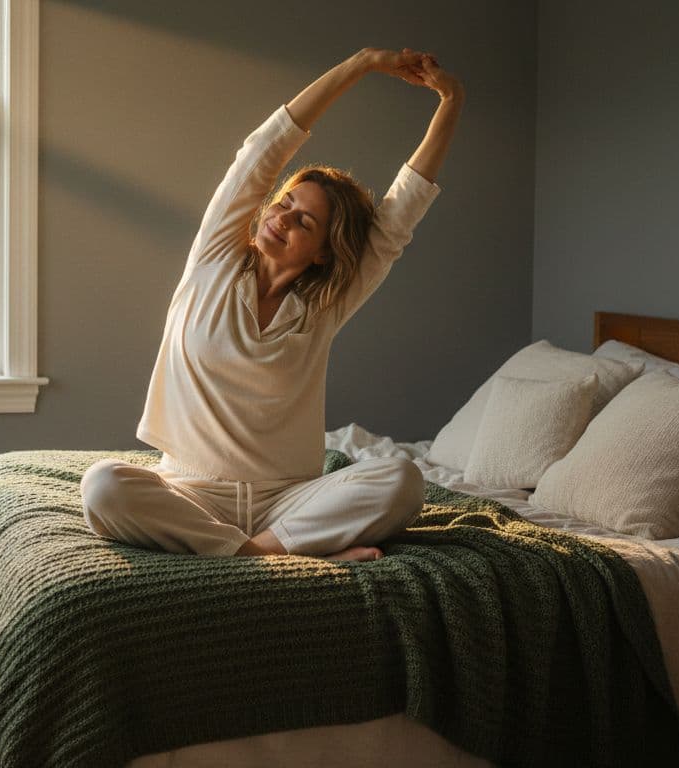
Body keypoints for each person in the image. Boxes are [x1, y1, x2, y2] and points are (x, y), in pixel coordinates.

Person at [81, 48, 463, 562]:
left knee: (402, 480)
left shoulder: (326, 304)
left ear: (324, 251)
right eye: (285, 203)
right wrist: (361, 64)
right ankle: (266, 556)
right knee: (103, 485)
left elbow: (400, 215)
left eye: (304, 221)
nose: (281, 218)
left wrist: (451, 100)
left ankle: (246, 551)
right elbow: (263, 151)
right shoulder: (215, 258)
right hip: (191, 492)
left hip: (287, 500)